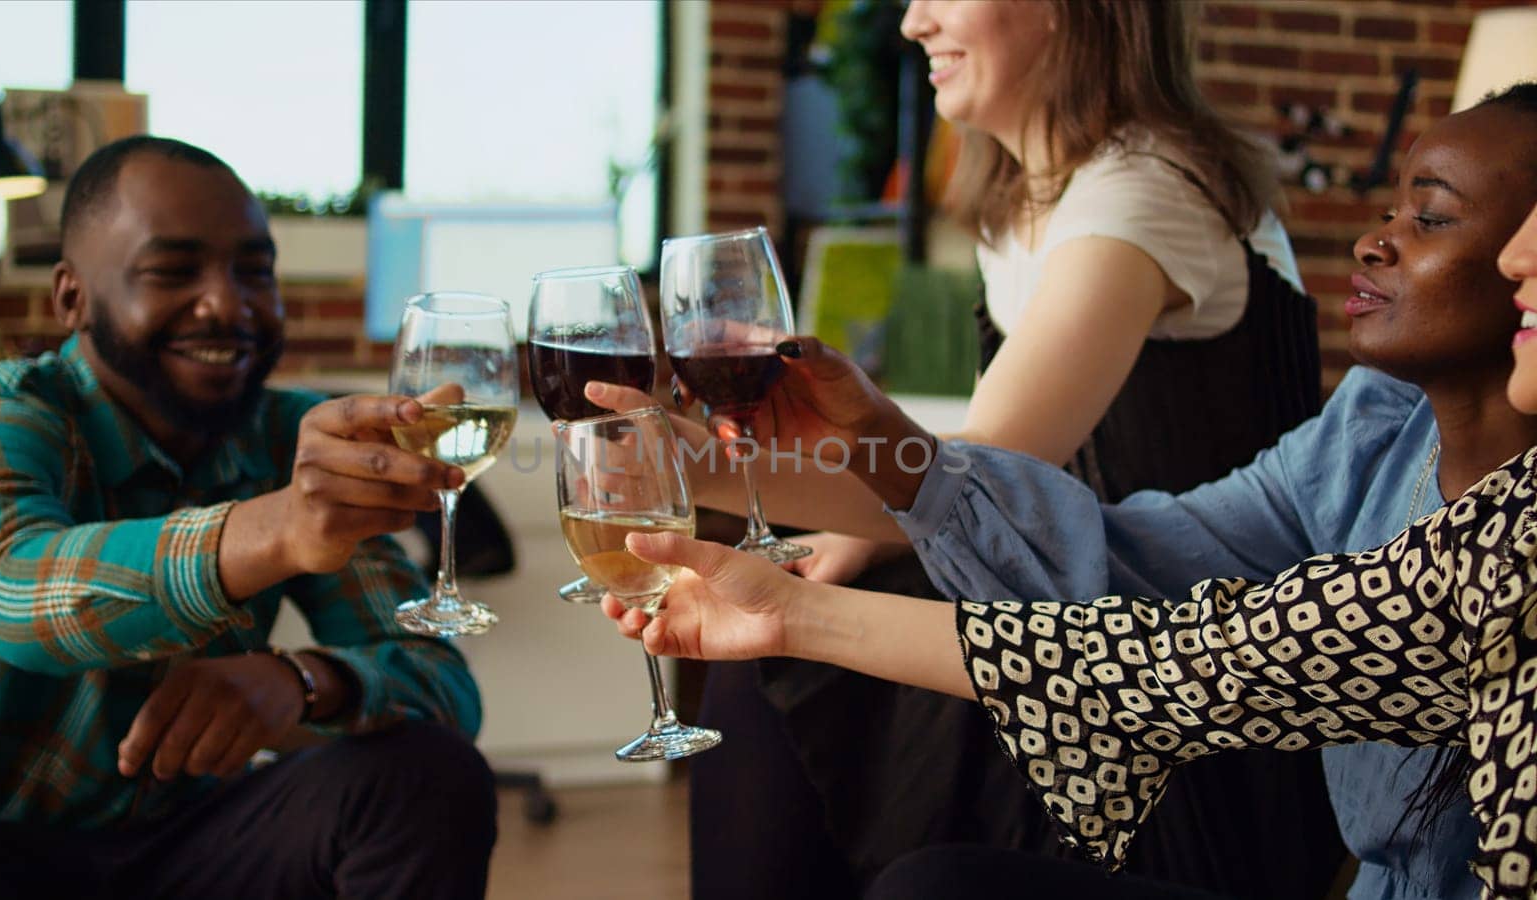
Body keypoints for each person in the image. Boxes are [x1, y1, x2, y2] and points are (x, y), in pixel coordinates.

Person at [596, 83, 1537, 899]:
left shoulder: (1142, 194)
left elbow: (1177, 661)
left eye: (1434, 216)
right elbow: (1139, 548)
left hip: (1190, 757)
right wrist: (830, 454)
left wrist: (792, 611)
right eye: (1394, 208)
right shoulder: (1376, 427)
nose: (1375, 242)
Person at [0, 136, 496, 899]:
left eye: (254, 272)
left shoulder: (290, 437)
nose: (228, 305)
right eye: (172, 271)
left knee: (426, 776)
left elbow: (444, 685)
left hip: (180, 840)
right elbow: (13, 591)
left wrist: (302, 681)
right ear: (72, 298)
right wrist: (278, 530)